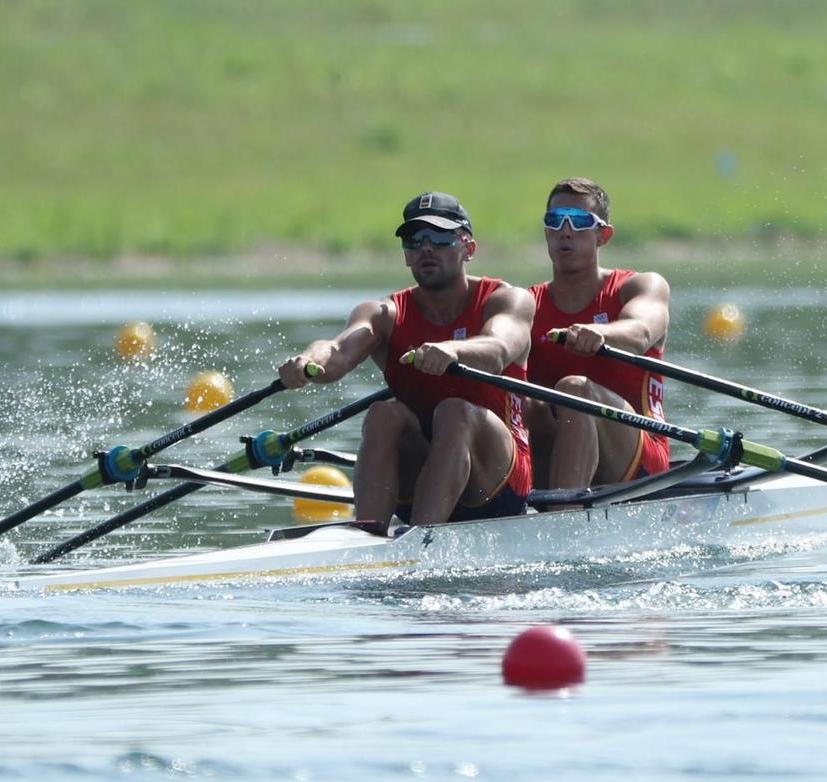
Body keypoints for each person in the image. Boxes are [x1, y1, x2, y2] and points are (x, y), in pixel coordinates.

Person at [280, 192, 535, 527]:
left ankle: (421, 538)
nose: (426, 248)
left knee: (455, 411)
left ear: (468, 248)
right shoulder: (384, 313)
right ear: (406, 255)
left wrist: (453, 351)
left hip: (499, 483)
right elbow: (338, 351)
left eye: (441, 237)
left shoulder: (507, 300)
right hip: (421, 474)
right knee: (384, 414)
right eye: (414, 240)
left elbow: (498, 349)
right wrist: (308, 361)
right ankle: (368, 536)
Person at [523, 178, 672, 493]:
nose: (565, 231)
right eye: (555, 221)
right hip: (559, 448)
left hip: (640, 459)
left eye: (579, 222)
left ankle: (566, 515)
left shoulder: (640, 287)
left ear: (603, 235)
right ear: (547, 231)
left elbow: (642, 331)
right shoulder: (526, 305)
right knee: (522, 404)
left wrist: (600, 333)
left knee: (574, 389)